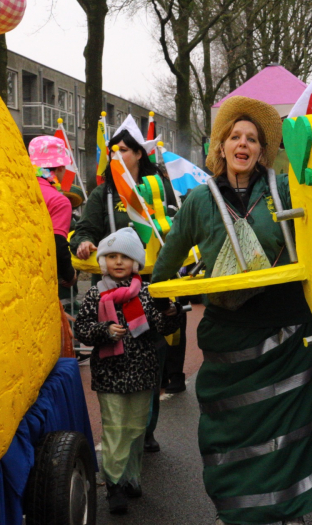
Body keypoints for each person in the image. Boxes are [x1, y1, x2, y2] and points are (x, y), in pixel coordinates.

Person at [151, 96, 312, 525]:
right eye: (234, 137)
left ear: (262, 150)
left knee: (292, 424)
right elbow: (170, 256)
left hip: (287, 326)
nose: (243, 144)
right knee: (227, 427)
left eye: (252, 139)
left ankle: (292, 513)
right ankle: (231, 510)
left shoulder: (284, 189)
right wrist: (156, 288)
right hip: (228, 334)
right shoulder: (198, 200)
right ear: (221, 146)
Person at [70, 115, 181, 453]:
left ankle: (146, 430)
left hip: (150, 286)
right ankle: (119, 433)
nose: (116, 154)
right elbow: (85, 229)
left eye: (124, 149)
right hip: (114, 292)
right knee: (116, 358)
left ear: (138, 154)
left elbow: (177, 223)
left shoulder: (158, 188)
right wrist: (84, 243)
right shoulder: (103, 193)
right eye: (113, 149)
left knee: (152, 355)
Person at [73, 227, 183, 514]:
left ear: (136, 263)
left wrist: (173, 314)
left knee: (136, 430)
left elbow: (162, 328)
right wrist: (104, 330)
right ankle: (114, 484)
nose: (118, 262)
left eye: (125, 256)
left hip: (143, 371)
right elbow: (82, 329)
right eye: (112, 256)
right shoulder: (96, 295)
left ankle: (132, 478)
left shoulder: (147, 294)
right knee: (114, 429)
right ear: (103, 261)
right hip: (109, 374)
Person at [28, 136, 76, 290]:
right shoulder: (58, 201)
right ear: (61, 167)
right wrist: (70, 275)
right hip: (40, 278)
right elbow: (58, 245)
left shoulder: (14, 189)